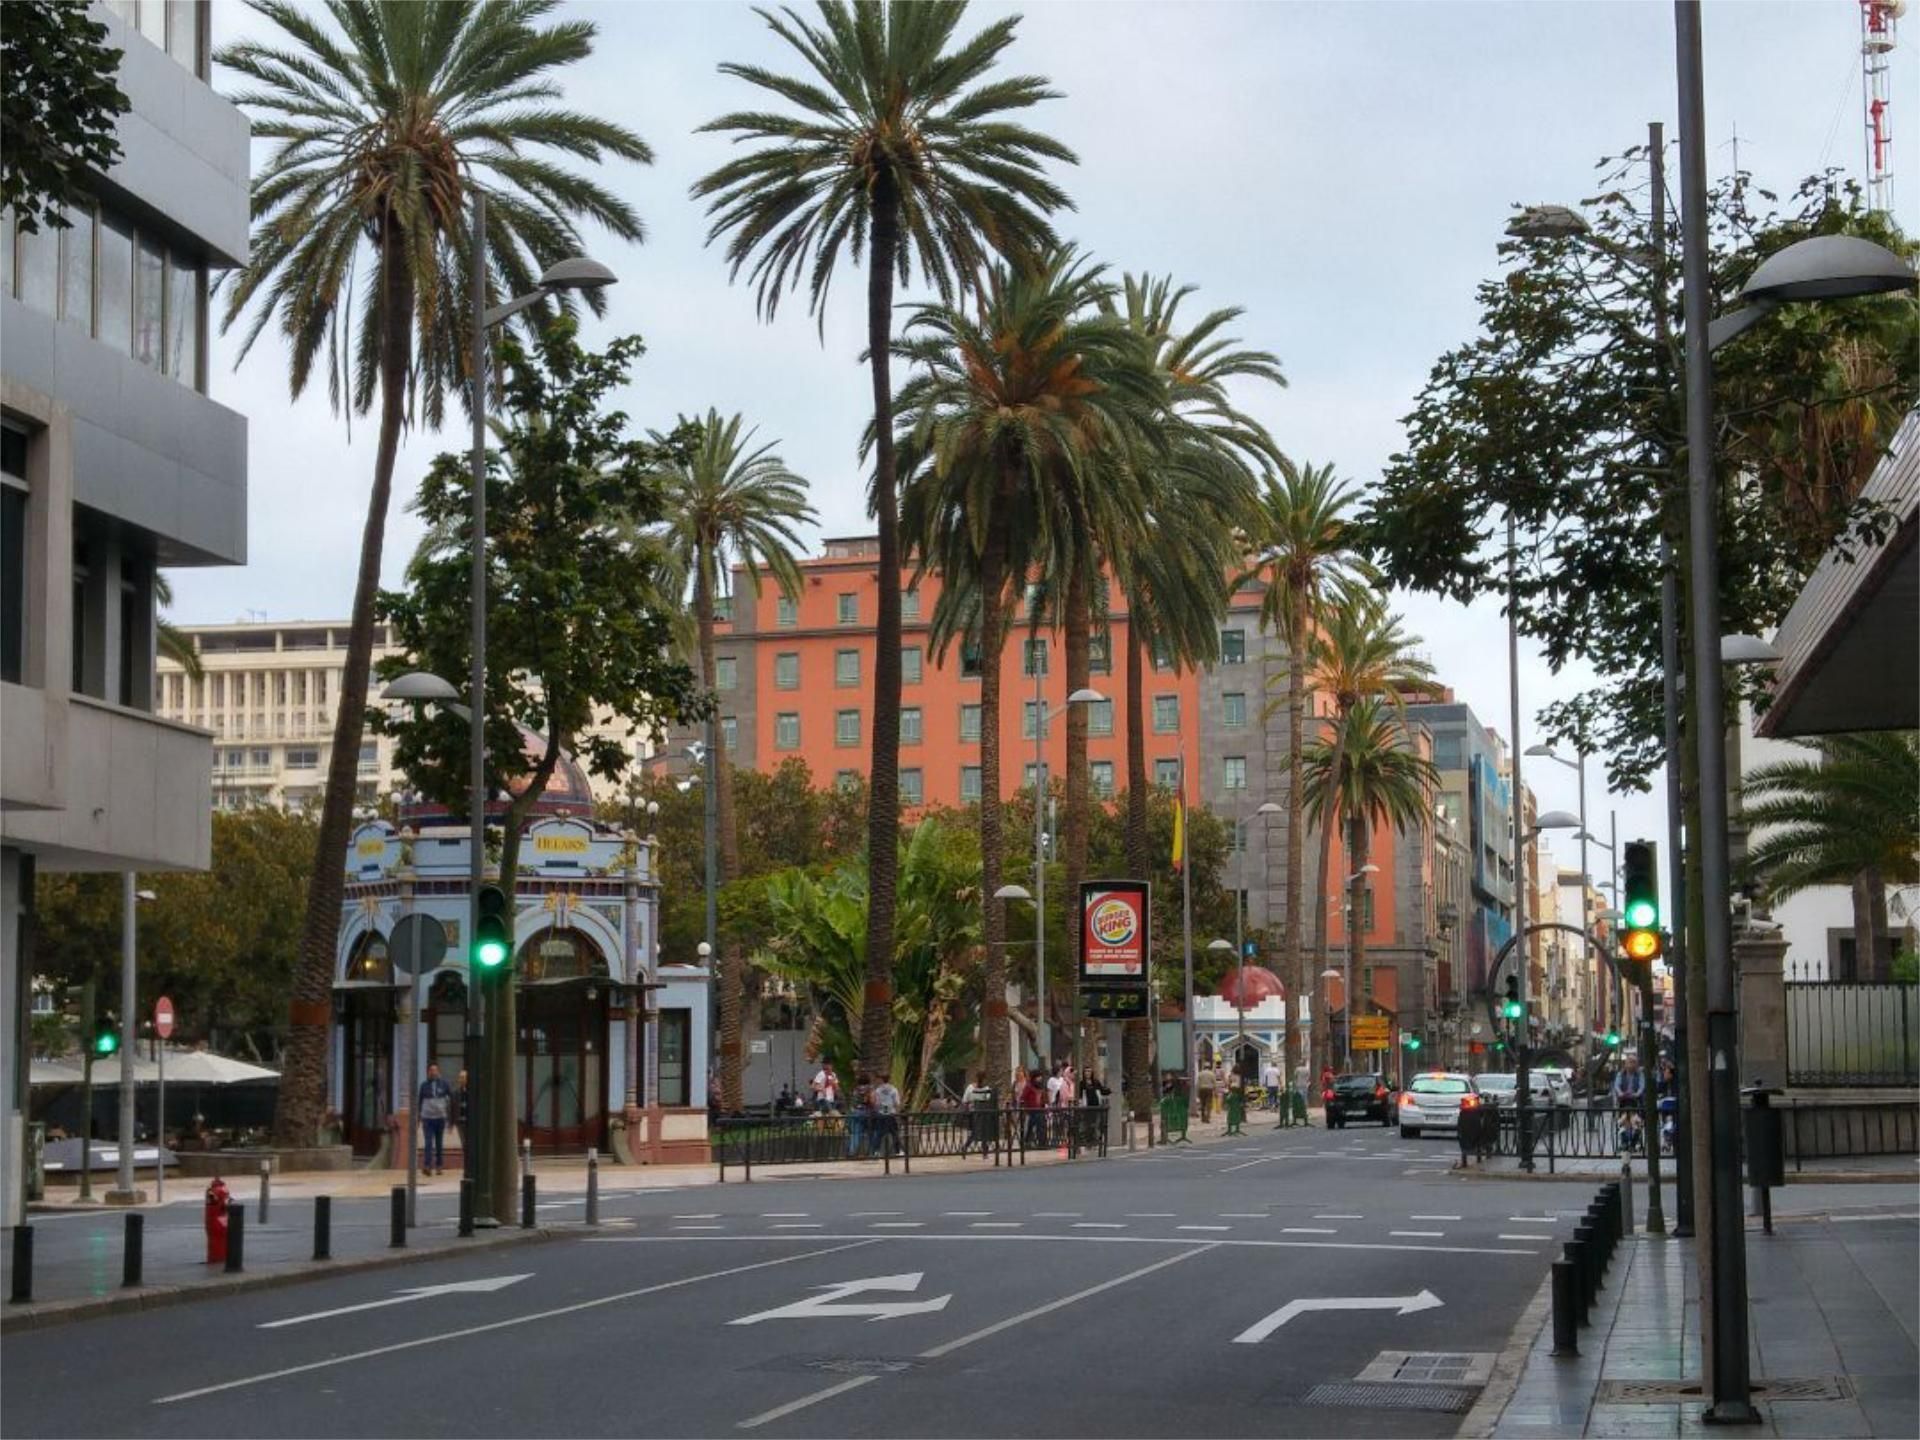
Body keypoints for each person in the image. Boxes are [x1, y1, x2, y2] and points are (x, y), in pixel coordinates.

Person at [417, 1064, 452, 1176]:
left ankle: (439, 1166)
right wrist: (419, 1117)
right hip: (427, 1118)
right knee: (428, 1142)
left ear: (438, 1071)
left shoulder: (444, 1084)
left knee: (439, 1143)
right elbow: (420, 1101)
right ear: (428, 1072)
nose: (433, 1072)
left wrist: (450, 1117)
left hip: (440, 1118)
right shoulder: (424, 1085)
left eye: (435, 1070)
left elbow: (451, 1099)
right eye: (431, 1070)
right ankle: (427, 1166)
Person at [960, 1071, 996, 1156]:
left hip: (973, 1113)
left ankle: (966, 1147)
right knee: (983, 1131)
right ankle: (984, 1150)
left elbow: (964, 1100)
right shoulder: (987, 1089)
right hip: (984, 1113)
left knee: (974, 1131)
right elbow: (988, 1100)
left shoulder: (970, 1087)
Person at [871, 1074, 902, 1156]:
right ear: (889, 1079)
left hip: (881, 1113)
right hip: (891, 1113)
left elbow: (876, 1103)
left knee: (879, 1133)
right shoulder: (893, 1089)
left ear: (881, 1080)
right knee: (894, 1133)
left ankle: (876, 1151)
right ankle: (897, 1150)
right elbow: (897, 1102)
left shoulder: (878, 1090)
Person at [452, 1069, 470, 1163]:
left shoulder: (471, 1092)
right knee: (464, 1143)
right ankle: (466, 1162)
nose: (461, 1079)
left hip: (470, 1122)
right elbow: (452, 1107)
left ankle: (470, 1161)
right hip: (460, 1122)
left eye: (463, 1077)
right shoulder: (456, 1093)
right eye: (460, 1077)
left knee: (470, 1142)